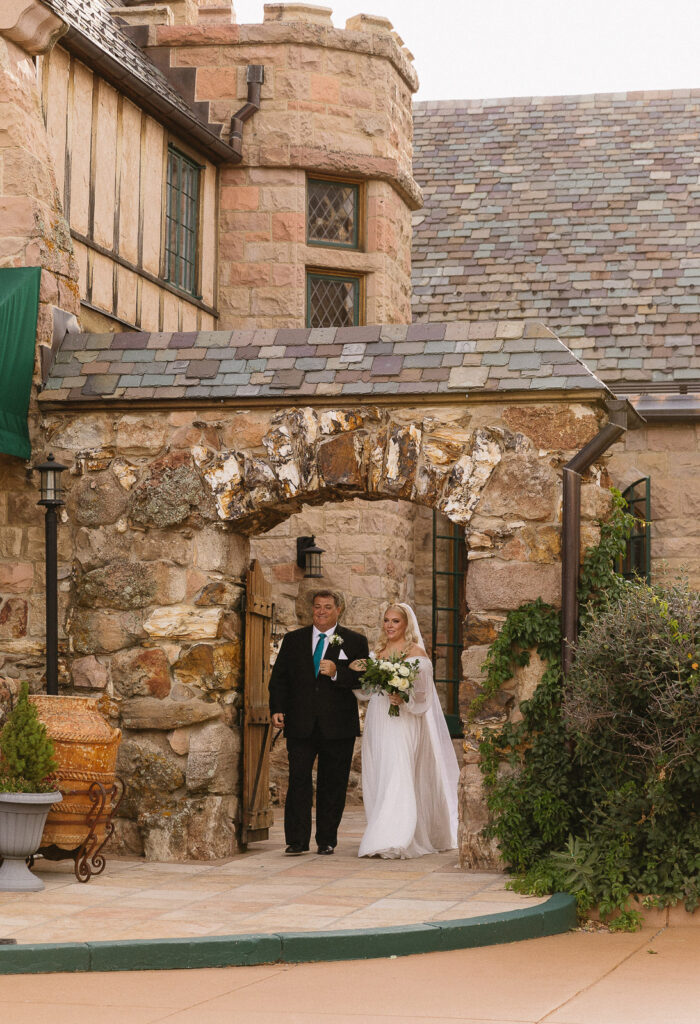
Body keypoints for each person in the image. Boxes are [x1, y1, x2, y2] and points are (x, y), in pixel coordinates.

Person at [352, 603, 459, 859]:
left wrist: (404, 699)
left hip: (404, 720)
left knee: (399, 772)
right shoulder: (377, 652)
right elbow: (366, 692)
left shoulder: (416, 654)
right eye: (386, 620)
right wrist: (357, 673)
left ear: (406, 625)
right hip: (379, 719)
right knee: (380, 773)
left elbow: (424, 695)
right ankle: (382, 827)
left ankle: (395, 837)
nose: (389, 625)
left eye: (395, 621)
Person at [268, 590, 369, 856]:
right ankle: (297, 841)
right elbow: (279, 677)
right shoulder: (294, 640)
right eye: (317, 607)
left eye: (327, 607)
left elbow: (364, 680)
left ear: (338, 610)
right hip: (300, 723)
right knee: (298, 780)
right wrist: (277, 708)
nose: (321, 612)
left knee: (332, 784)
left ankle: (327, 840)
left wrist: (338, 673)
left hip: (338, 726)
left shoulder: (355, 641)